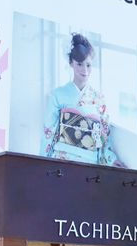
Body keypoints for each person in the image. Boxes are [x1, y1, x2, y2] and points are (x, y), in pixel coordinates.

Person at [41, 34, 124, 166]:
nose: (84, 70)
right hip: (62, 159)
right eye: (79, 64)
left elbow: (104, 136)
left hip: (90, 161)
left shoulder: (98, 98)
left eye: (88, 65)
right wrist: (42, 162)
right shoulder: (57, 95)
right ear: (71, 63)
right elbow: (48, 132)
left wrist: (111, 159)